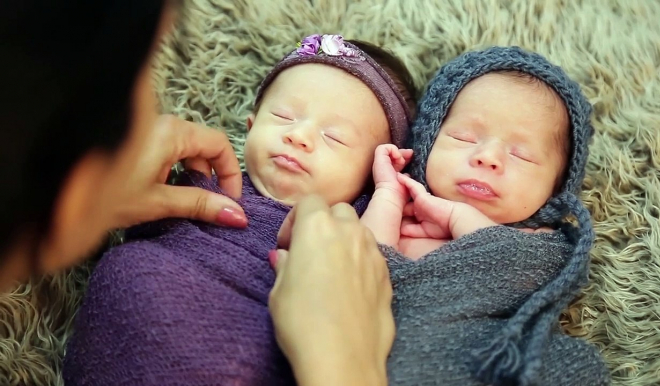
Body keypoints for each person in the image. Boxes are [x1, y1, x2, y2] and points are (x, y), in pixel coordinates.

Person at [0, 1, 395, 385]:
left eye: (335, 138)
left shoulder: (356, 230)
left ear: (370, 174)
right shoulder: (200, 184)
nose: (299, 135)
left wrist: (389, 193)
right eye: (283, 116)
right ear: (251, 124)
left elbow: (385, 258)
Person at [360, 47, 611, 385]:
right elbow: (357, 265)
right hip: (370, 361)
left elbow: (518, 273)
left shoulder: (539, 242)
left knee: (580, 366)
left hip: (482, 362)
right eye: (464, 137)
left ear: (556, 186)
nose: (488, 157)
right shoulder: (396, 216)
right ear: (428, 139)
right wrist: (387, 195)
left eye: (521, 155)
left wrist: (457, 217)